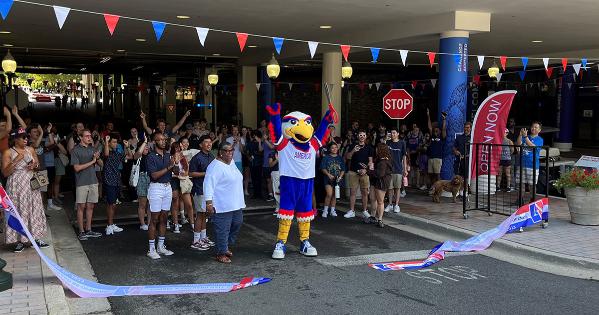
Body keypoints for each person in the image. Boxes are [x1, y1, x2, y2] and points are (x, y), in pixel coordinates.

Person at [2, 128, 49, 252]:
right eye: (23, 137)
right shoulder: (8, 152)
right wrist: (16, 160)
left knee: (34, 208)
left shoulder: (31, 149)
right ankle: (19, 240)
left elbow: (38, 165)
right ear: (15, 139)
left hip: (31, 183)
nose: (26, 139)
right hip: (16, 185)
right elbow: (5, 173)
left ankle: (36, 238)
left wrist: (34, 165)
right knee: (18, 210)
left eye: (26, 137)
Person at [203, 142, 246, 263]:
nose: (229, 153)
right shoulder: (214, 166)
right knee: (222, 229)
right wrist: (209, 204)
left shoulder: (231, 162)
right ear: (220, 152)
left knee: (237, 223)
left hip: (236, 203)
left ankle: (225, 246)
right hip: (221, 205)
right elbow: (208, 185)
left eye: (231, 150)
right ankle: (220, 252)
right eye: (226, 151)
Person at [145, 132, 178, 259]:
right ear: (154, 142)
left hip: (167, 187)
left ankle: (161, 246)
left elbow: (175, 172)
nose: (164, 141)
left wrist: (175, 164)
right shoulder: (151, 156)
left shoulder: (169, 155)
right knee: (154, 219)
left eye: (164, 139)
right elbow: (153, 175)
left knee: (164, 218)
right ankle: (151, 249)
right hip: (156, 188)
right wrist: (169, 166)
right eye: (160, 140)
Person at [71, 129, 103, 240]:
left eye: (90, 136)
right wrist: (92, 162)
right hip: (81, 182)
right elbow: (76, 168)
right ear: (80, 137)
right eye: (86, 136)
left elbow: (101, 164)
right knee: (81, 207)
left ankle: (89, 229)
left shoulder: (92, 149)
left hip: (93, 181)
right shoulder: (75, 150)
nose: (89, 138)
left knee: (90, 206)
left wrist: (97, 158)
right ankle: (81, 231)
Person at [189, 135, 216, 251]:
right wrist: (206, 174)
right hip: (199, 189)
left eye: (210, 142)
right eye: (206, 142)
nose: (209, 144)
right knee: (200, 214)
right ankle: (195, 240)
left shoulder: (211, 156)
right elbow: (191, 173)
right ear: (201, 145)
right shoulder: (197, 158)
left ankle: (203, 238)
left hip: (209, 190)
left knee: (204, 214)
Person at [103, 134, 133, 235]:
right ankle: (109, 225)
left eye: (116, 142)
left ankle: (111, 224)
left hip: (116, 181)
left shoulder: (117, 153)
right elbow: (106, 154)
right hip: (109, 180)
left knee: (113, 204)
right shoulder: (107, 151)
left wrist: (127, 146)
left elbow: (130, 156)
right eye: (114, 142)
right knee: (111, 203)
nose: (116, 144)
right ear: (110, 143)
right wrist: (106, 141)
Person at [344, 131, 374, 220]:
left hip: (364, 173)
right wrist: (353, 150)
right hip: (353, 172)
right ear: (358, 136)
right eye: (360, 135)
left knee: (364, 193)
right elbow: (348, 157)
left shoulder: (369, 148)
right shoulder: (352, 145)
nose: (362, 136)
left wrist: (366, 170)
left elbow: (370, 161)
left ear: (366, 137)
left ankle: (365, 210)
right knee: (352, 192)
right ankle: (352, 211)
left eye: (363, 135)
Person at [366, 143, 393, 228]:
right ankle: (373, 216)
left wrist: (368, 171)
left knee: (380, 201)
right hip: (375, 181)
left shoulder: (384, 161)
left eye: (377, 148)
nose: (376, 150)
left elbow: (380, 174)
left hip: (381, 182)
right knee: (373, 199)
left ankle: (380, 219)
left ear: (381, 150)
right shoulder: (380, 159)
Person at [516, 122, 544, 200]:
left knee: (532, 184)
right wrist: (520, 135)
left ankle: (533, 200)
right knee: (520, 183)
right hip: (521, 163)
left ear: (539, 130)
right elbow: (518, 144)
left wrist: (525, 137)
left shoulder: (540, 139)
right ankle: (520, 199)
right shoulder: (526, 136)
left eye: (536, 127)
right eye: (532, 126)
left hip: (532, 165)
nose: (533, 128)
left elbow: (533, 147)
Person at [320, 143, 345, 218]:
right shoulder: (326, 157)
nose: (334, 149)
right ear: (329, 149)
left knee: (334, 195)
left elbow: (343, 169)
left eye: (336, 147)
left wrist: (340, 177)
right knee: (329, 194)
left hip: (337, 179)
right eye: (332, 148)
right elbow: (322, 168)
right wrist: (328, 175)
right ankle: (325, 210)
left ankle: (332, 210)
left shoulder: (340, 158)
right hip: (328, 179)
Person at [385, 128, 407, 213]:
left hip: (398, 169)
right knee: (390, 188)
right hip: (389, 169)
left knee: (397, 188)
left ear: (398, 134)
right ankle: (390, 204)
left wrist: (405, 169)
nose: (392, 134)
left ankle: (396, 205)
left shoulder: (402, 143)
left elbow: (404, 157)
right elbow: (382, 151)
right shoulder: (388, 142)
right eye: (391, 133)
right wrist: (386, 139)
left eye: (394, 133)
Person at [427, 109, 447, 187]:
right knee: (431, 175)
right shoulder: (432, 136)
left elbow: (444, 129)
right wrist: (428, 115)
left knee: (437, 175)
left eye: (437, 130)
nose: (435, 131)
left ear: (439, 130)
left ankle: (438, 189)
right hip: (430, 158)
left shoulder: (442, 137)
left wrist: (444, 119)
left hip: (438, 158)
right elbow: (429, 127)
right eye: (434, 130)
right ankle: (433, 188)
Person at [134, 136, 150, 230]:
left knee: (150, 204)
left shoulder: (151, 156)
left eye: (147, 146)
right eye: (145, 146)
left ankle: (150, 222)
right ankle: (142, 223)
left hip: (151, 179)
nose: (147, 147)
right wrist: (144, 142)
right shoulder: (138, 156)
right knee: (142, 204)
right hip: (142, 179)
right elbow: (138, 153)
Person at [247, 130, 264, 199]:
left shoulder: (261, 143)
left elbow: (261, 151)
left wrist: (259, 142)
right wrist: (248, 158)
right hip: (252, 163)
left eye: (256, 135)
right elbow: (247, 152)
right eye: (254, 135)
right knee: (254, 179)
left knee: (259, 179)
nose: (254, 136)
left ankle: (259, 194)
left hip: (259, 163)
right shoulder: (250, 143)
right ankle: (255, 194)